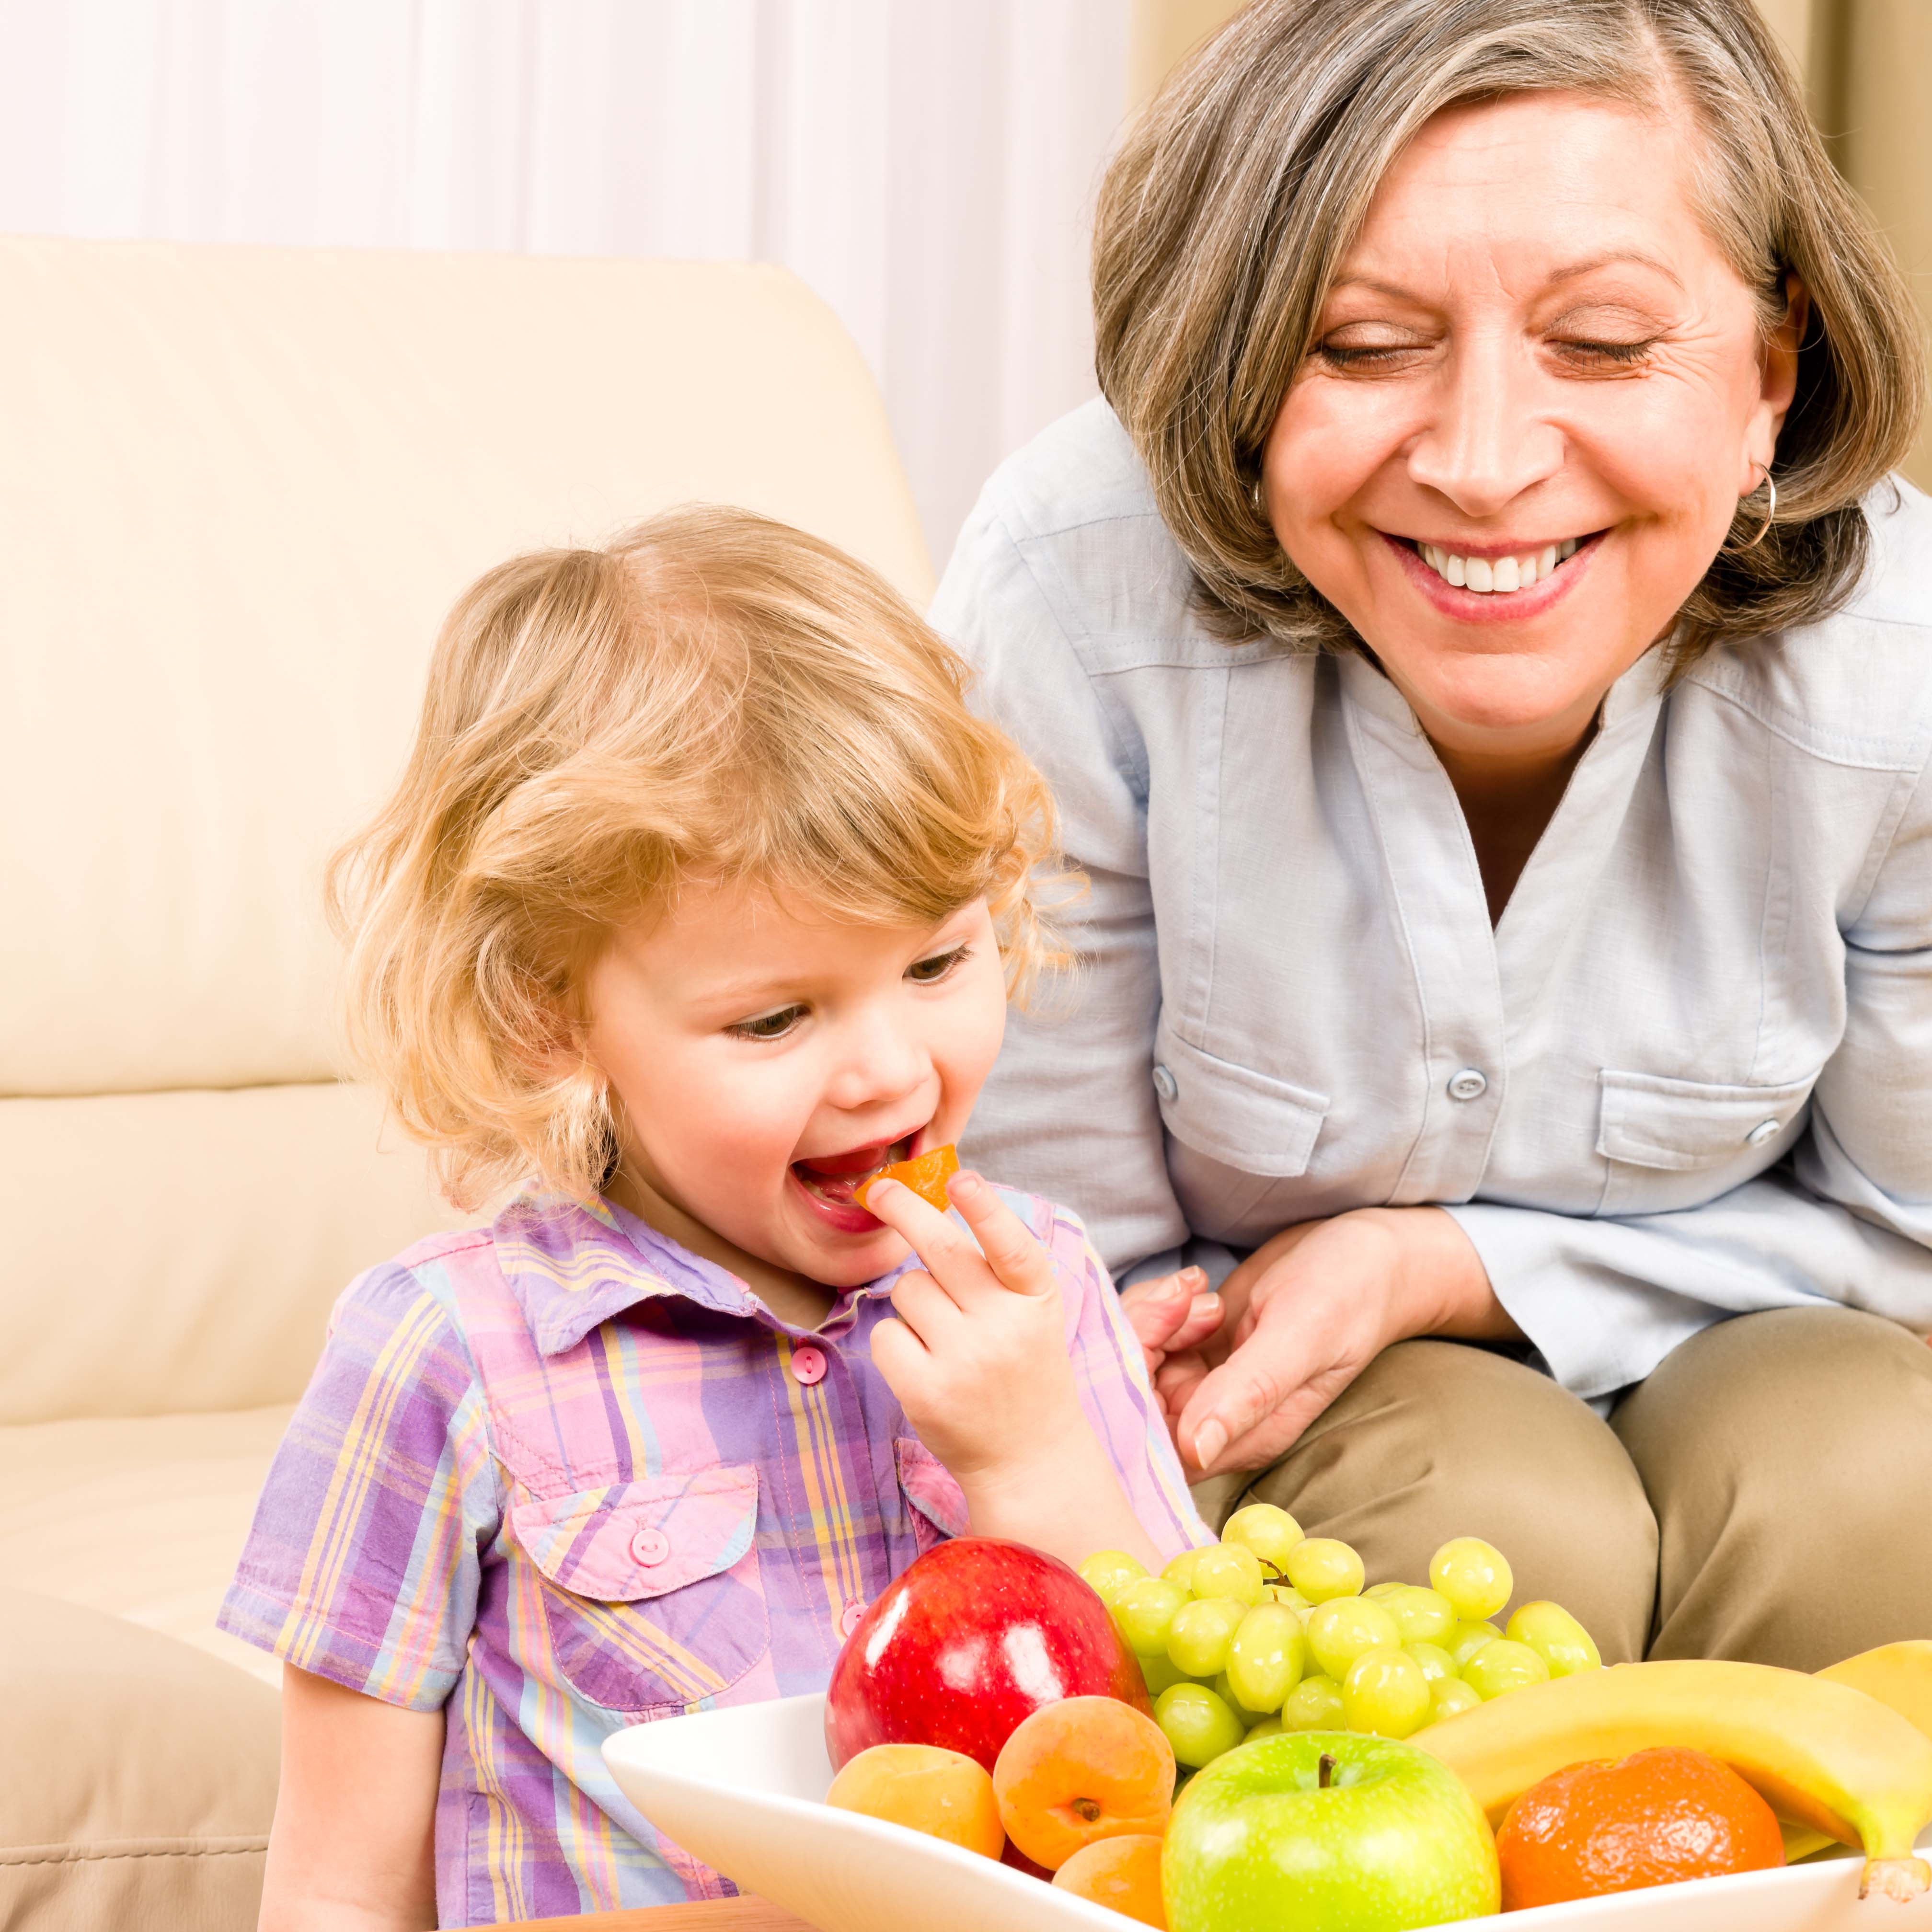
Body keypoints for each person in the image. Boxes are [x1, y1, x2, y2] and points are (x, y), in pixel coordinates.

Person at [933, 0, 1932, 1674]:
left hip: (1769, 1324)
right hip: (1260, 1398)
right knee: (1494, 1515)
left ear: (1770, 377)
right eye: (1363, 344)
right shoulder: (1071, 593)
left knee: (1872, 1473)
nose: (1482, 466)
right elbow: (1061, 1267)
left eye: (1606, 345)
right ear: (1238, 365)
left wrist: (1449, 1267)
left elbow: (1914, 1234)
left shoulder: (1903, 673)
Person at [222, 508, 1205, 1928]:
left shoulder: (1034, 1285)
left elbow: (1180, 1771)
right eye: (773, 1016)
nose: (890, 1070)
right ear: (547, 1015)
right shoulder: (443, 1354)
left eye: (939, 958)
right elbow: (333, 1895)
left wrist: (1033, 1445)